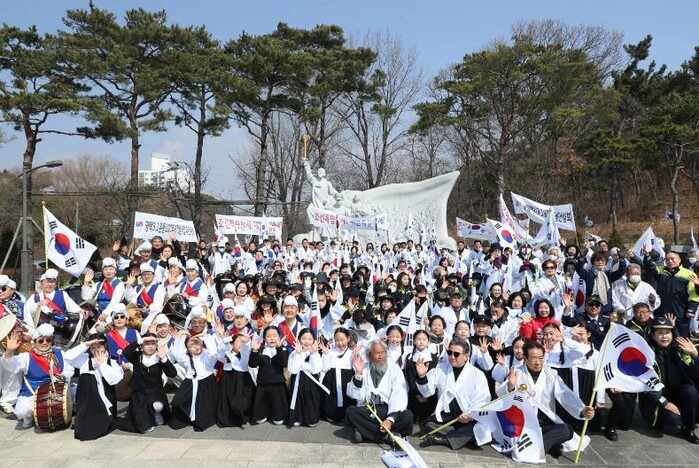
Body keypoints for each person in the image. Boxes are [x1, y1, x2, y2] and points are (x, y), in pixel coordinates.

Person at [499, 340, 595, 458]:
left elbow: (564, 394)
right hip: (523, 423)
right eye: (533, 358)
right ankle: (547, 446)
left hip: (545, 423)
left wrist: (582, 409)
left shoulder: (551, 374)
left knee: (567, 430)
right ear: (525, 358)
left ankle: (539, 447)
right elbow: (501, 395)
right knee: (511, 431)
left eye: (541, 358)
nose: (538, 362)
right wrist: (510, 386)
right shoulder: (517, 372)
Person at [416, 338, 490, 450]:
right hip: (448, 416)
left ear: (466, 356)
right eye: (449, 352)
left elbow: (482, 399)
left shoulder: (477, 374)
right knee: (428, 424)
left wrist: (469, 416)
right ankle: (458, 437)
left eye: (456, 354)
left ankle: (444, 439)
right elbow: (427, 391)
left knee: (483, 429)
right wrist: (422, 377)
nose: (452, 357)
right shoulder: (440, 368)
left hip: (467, 418)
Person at [1, 324, 75, 428]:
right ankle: (32, 416)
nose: (45, 343)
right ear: (35, 342)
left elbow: (69, 369)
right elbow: (9, 365)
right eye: (40, 341)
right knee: (22, 412)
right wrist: (9, 351)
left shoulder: (59, 353)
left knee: (82, 391)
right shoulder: (27, 357)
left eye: (48, 340)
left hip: (58, 390)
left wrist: (63, 376)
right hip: (33, 393)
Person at [639, 317, 699, 444]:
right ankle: (660, 419)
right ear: (653, 335)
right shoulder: (646, 355)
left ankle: (688, 429)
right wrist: (665, 403)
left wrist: (694, 354)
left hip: (675, 392)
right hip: (655, 399)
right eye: (660, 333)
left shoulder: (679, 350)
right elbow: (647, 386)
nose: (664, 336)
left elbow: (695, 373)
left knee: (691, 391)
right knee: (673, 419)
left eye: (667, 332)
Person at [346, 340, 413, 444]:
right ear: (369, 355)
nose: (381, 356)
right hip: (369, 410)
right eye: (377, 353)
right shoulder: (364, 368)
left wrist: (390, 419)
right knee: (351, 412)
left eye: (383, 352)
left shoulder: (395, 369)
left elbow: (399, 395)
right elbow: (353, 394)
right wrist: (358, 373)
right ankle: (387, 437)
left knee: (407, 416)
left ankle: (366, 435)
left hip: (388, 409)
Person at [63, 333, 124, 440]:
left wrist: (102, 365)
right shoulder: (84, 359)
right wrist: (86, 344)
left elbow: (115, 379)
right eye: (93, 347)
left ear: (105, 346)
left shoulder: (112, 362)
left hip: (104, 398)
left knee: (104, 424)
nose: (96, 350)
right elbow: (67, 357)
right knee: (83, 430)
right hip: (87, 398)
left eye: (99, 346)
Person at [119, 333, 177, 433]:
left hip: (155, 391)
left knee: (157, 406)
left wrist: (164, 359)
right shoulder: (137, 356)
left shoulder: (159, 358)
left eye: (153, 343)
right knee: (142, 422)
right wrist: (139, 341)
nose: (150, 346)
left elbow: (172, 373)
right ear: (142, 346)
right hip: (139, 392)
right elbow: (126, 352)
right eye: (147, 343)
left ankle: (157, 413)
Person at [168, 333, 219, 431]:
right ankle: (186, 418)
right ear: (187, 349)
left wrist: (205, 336)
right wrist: (181, 336)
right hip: (190, 383)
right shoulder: (187, 359)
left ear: (202, 344)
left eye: (197, 343)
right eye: (191, 345)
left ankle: (198, 418)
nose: (195, 347)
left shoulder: (207, 356)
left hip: (207, 384)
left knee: (202, 416)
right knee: (177, 402)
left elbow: (213, 353)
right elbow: (178, 354)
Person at [644, 250, 699, 337]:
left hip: (680, 312)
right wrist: (647, 254)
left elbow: (693, 295)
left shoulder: (689, 274)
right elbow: (650, 267)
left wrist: (691, 309)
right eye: (667, 259)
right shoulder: (661, 270)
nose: (670, 261)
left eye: (672, 259)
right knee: (662, 335)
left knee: (681, 337)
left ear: (679, 260)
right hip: (662, 311)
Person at [249, 326, 289, 425]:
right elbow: (252, 364)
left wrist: (279, 347)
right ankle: (263, 414)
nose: (272, 338)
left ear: (279, 337)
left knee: (278, 421)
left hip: (278, 384)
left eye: (275, 335)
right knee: (259, 419)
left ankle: (278, 415)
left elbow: (284, 363)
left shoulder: (283, 350)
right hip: (263, 384)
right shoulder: (261, 351)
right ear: (264, 338)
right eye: (269, 336)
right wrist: (254, 351)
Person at [215, 329, 255, 428]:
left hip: (242, 379)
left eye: (242, 342)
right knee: (228, 399)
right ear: (232, 344)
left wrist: (246, 342)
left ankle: (243, 417)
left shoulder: (246, 355)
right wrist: (224, 339)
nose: (241, 344)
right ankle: (228, 418)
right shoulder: (227, 352)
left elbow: (245, 351)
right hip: (228, 378)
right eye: (239, 342)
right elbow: (220, 354)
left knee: (241, 401)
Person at [288, 328, 324, 427]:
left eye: (310, 339)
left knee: (311, 399)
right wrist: (297, 354)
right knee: (298, 398)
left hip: (311, 381)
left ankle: (312, 418)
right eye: (303, 338)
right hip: (298, 380)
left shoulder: (316, 353)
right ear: (299, 339)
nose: (307, 341)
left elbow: (315, 370)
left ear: (313, 340)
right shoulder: (294, 352)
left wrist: (313, 354)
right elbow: (293, 370)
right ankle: (297, 418)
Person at [319, 327, 355, 422]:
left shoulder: (352, 353)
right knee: (332, 413)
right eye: (337, 340)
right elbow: (324, 369)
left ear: (348, 339)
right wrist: (326, 355)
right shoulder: (329, 351)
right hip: (331, 384)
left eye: (342, 340)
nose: (340, 343)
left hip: (345, 385)